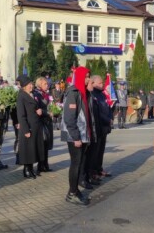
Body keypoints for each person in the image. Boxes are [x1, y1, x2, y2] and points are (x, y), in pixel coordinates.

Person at [62, 66, 93, 206]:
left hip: (82, 135)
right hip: (75, 136)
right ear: (81, 77)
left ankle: (74, 190)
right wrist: (76, 137)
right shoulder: (73, 93)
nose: (89, 79)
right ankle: (72, 194)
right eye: (86, 76)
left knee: (79, 164)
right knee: (75, 164)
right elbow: (69, 118)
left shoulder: (83, 92)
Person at [16, 75, 45, 179]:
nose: (31, 86)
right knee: (27, 149)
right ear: (24, 86)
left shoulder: (32, 94)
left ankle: (31, 168)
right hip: (28, 127)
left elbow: (36, 107)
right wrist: (26, 129)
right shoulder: (21, 96)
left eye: (32, 84)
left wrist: (39, 110)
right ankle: (26, 170)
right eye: (29, 85)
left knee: (33, 149)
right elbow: (21, 115)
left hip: (35, 125)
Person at [88, 75, 113, 181]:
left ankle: (99, 168)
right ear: (93, 83)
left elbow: (107, 107)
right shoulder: (92, 95)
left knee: (101, 149)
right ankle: (93, 171)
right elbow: (97, 112)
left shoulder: (102, 94)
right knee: (95, 151)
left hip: (105, 127)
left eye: (102, 82)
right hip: (98, 126)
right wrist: (107, 120)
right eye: (100, 83)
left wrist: (110, 117)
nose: (102, 84)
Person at [33, 77, 54, 173]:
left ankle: (45, 164)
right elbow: (37, 109)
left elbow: (50, 105)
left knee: (47, 144)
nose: (47, 85)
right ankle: (40, 165)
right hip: (41, 122)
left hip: (48, 122)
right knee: (42, 144)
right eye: (45, 84)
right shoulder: (37, 94)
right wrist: (47, 113)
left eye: (47, 84)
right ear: (39, 84)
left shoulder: (47, 94)